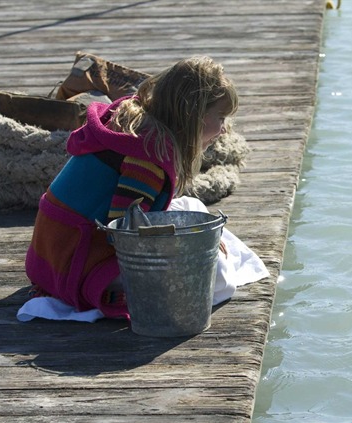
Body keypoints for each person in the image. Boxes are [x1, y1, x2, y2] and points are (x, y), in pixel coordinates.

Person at [25, 56, 243, 319]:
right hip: (76, 264)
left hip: (50, 253)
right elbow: (123, 235)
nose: (223, 130)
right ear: (192, 115)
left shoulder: (138, 126)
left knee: (194, 208)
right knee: (219, 276)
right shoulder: (147, 157)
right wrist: (194, 246)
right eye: (220, 118)